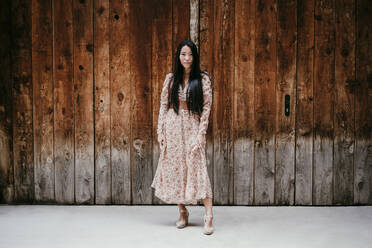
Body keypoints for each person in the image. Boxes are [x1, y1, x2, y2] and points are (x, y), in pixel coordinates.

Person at [151, 40, 214, 235]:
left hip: (192, 127)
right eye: (183, 54)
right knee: (176, 168)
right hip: (172, 126)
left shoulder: (202, 79)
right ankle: (182, 211)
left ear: (194, 57)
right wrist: (160, 131)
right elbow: (163, 105)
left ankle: (209, 215)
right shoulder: (171, 79)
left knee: (197, 167)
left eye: (190, 55)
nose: (186, 58)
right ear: (178, 57)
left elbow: (206, 107)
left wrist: (202, 132)